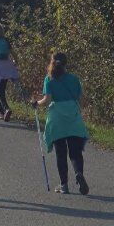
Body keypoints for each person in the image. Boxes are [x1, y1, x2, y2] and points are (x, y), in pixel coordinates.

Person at [34, 51, 90, 195]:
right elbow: (81, 100)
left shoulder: (49, 79)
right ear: (66, 63)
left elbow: (46, 101)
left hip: (56, 119)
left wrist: (36, 103)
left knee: (61, 153)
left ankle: (64, 185)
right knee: (75, 152)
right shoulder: (73, 78)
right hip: (73, 117)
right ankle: (79, 174)